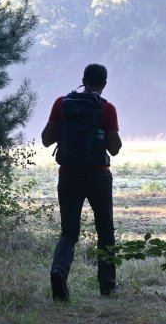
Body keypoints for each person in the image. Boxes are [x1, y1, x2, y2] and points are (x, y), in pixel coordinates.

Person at [41, 63, 122, 301]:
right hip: (98, 176)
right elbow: (114, 149)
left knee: (69, 233)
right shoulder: (107, 108)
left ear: (83, 79)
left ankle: (59, 272)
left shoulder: (62, 103)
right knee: (105, 231)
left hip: (68, 175)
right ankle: (107, 286)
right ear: (104, 84)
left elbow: (46, 140)